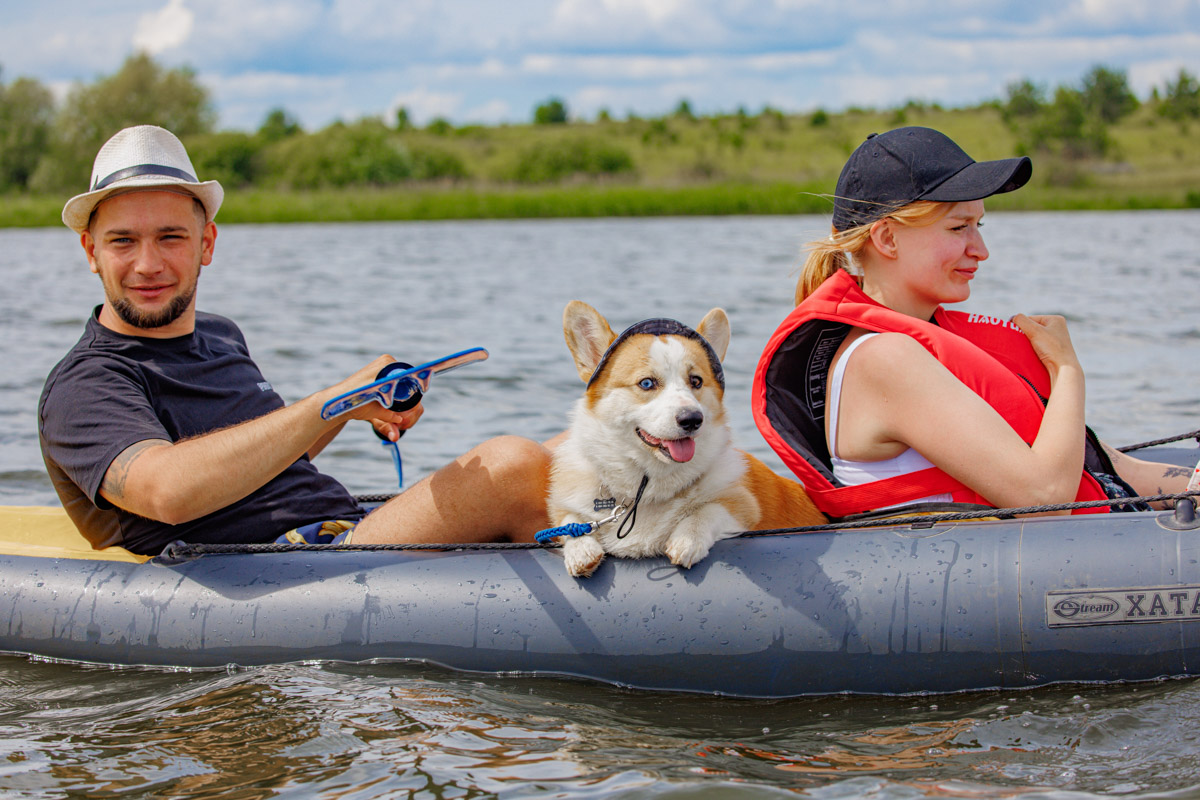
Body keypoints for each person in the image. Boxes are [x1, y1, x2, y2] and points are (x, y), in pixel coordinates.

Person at [39, 125, 552, 555]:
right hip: (274, 572)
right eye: (123, 241)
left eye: (171, 237)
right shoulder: (84, 384)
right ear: (91, 251)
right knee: (511, 464)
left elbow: (269, 459)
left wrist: (354, 405)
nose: (148, 264)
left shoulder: (220, 336)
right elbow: (169, 492)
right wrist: (328, 403)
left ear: (206, 244)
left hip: (338, 533)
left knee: (572, 450)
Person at [752, 126, 1190, 519]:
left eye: (979, 225)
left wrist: (1190, 485)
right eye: (958, 228)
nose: (980, 249)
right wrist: (1067, 369)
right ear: (887, 238)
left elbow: (1100, 464)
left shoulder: (926, 345)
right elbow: (1047, 498)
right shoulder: (884, 358)